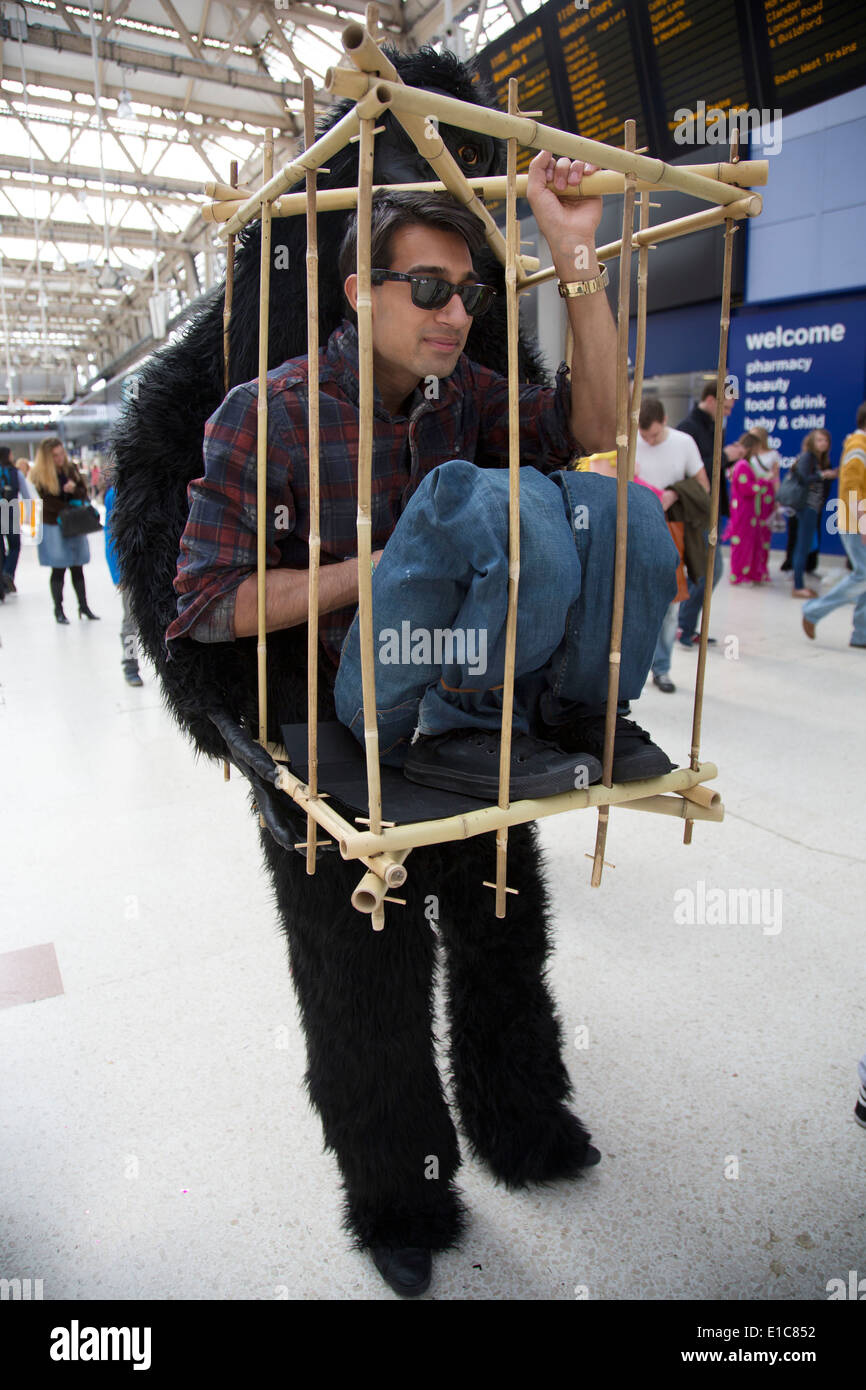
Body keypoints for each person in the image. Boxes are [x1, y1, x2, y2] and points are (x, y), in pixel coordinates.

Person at [166, 160, 680, 1297]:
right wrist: (375, 570)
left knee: (501, 939)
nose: (455, 315)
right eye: (430, 290)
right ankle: (396, 1194)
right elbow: (203, 603)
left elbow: (596, 426)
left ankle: (519, 1120)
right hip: (327, 739)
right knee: (361, 979)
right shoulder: (269, 414)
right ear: (361, 290)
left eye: (469, 295)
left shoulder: (472, 397)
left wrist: (574, 255)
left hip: (468, 726)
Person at [634, 397, 709, 693]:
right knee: (632, 600)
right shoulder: (629, 440)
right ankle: (631, 666)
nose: (649, 441)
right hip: (636, 528)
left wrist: (675, 494)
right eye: (644, 436)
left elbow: (703, 485)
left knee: (668, 602)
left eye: (653, 435)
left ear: (664, 421)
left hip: (671, 529)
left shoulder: (684, 442)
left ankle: (661, 668)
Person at [802, 402, 866, 647]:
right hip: (855, 521)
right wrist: (862, 523)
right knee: (862, 574)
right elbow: (851, 487)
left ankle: (861, 634)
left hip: (858, 520)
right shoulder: (858, 448)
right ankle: (813, 611)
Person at [676, 381, 732, 645]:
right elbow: (693, 474)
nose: (728, 412)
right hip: (698, 512)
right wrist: (725, 457)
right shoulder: (689, 430)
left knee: (708, 570)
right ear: (711, 400)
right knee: (709, 569)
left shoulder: (710, 428)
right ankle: (684, 626)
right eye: (726, 406)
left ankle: (687, 627)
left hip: (711, 511)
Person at [30, 436, 100, 623]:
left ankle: (83, 607)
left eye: (61, 454)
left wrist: (73, 490)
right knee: (59, 567)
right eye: (55, 455)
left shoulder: (71, 469)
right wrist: (64, 498)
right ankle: (58, 610)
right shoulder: (40, 475)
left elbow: (83, 492)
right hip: (55, 524)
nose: (60, 458)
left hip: (75, 522)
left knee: (78, 566)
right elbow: (47, 502)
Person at [104, 478, 144, 685]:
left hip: (156, 567)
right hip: (129, 569)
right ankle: (130, 664)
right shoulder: (115, 494)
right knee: (130, 620)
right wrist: (117, 573)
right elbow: (109, 534)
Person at [724, 431, 774, 584]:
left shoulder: (745, 465)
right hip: (744, 512)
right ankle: (738, 574)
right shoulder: (743, 466)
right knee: (742, 543)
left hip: (749, 511)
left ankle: (749, 573)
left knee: (750, 542)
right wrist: (763, 483)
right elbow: (746, 488)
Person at [790, 429, 834, 599]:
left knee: (805, 545)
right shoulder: (808, 458)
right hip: (807, 506)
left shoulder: (817, 459)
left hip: (813, 507)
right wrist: (823, 475)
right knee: (802, 546)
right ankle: (798, 585)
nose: (823, 443)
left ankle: (799, 583)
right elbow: (803, 478)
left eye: (826, 440)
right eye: (820, 440)